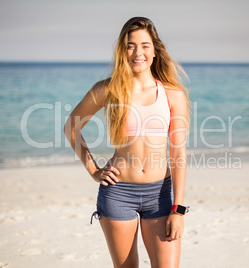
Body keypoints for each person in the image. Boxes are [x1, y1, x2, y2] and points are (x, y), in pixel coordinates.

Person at [64, 17, 190, 268]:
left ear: (155, 50)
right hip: (118, 193)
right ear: (123, 50)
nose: (137, 52)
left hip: (160, 195)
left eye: (144, 45)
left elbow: (178, 153)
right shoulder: (107, 89)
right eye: (130, 45)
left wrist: (178, 209)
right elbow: (71, 127)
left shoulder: (173, 94)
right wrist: (93, 170)